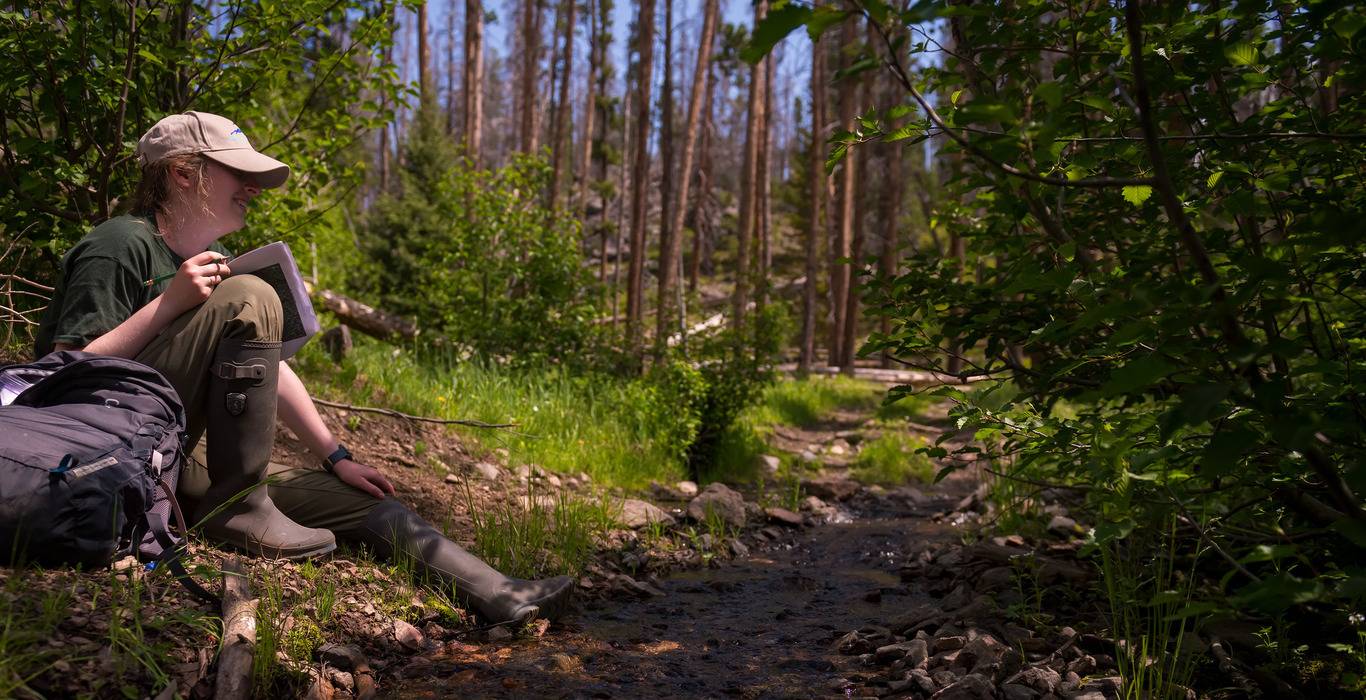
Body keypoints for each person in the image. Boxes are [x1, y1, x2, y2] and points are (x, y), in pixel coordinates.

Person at [32, 111, 572, 625]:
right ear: (182, 173)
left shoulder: (212, 260)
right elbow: (63, 374)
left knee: (365, 503)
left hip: (180, 456)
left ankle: (502, 594)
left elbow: (273, 369)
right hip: (107, 457)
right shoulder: (119, 244)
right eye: (238, 172)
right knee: (250, 294)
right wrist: (168, 304)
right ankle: (239, 505)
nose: (254, 187)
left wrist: (336, 456)